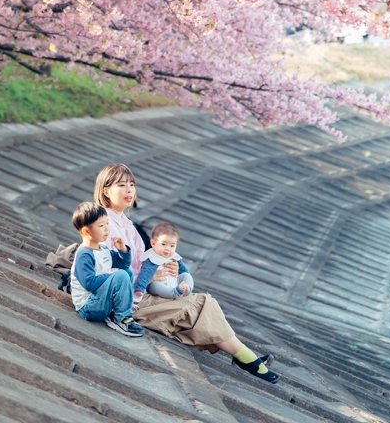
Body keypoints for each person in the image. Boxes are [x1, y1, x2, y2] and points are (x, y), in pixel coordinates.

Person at [93, 163, 279, 383]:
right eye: (122, 185)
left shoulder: (127, 224)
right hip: (127, 300)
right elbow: (107, 267)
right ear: (106, 191)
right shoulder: (104, 222)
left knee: (202, 302)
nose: (129, 190)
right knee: (198, 305)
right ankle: (247, 358)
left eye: (132, 185)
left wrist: (162, 268)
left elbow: (140, 263)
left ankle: (245, 356)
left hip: (140, 293)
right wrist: (149, 277)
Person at [69, 199, 144, 337]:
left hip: (99, 300)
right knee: (120, 275)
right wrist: (111, 277)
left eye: (107, 223)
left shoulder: (102, 248)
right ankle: (121, 319)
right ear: (86, 231)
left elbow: (123, 265)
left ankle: (121, 309)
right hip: (88, 306)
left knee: (126, 272)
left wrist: (123, 251)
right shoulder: (84, 254)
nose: (107, 229)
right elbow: (89, 283)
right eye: (101, 225)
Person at [134, 220, 195, 300]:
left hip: (173, 282)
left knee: (186, 276)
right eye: (163, 244)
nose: (167, 249)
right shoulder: (151, 258)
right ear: (153, 243)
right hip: (157, 283)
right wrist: (139, 289)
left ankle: (187, 289)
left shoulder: (174, 257)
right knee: (155, 286)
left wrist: (180, 276)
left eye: (172, 246)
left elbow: (184, 271)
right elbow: (144, 275)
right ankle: (175, 293)